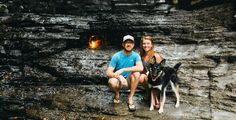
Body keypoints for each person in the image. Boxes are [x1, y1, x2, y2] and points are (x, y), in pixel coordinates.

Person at [106, 35, 143, 112]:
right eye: (126, 43)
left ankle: (130, 98)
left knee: (137, 73)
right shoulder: (116, 56)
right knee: (111, 81)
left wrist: (123, 69)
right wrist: (119, 77)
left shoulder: (136, 56)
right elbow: (108, 72)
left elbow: (140, 68)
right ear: (123, 44)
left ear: (133, 45)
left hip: (129, 81)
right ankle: (117, 93)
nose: (128, 44)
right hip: (118, 82)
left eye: (130, 43)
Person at [139, 35, 163, 104]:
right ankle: (148, 92)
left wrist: (151, 74)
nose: (146, 45)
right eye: (144, 43)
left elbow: (160, 71)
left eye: (148, 43)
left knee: (147, 78)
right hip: (147, 78)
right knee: (141, 77)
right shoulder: (141, 55)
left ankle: (156, 95)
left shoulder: (156, 56)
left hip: (156, 79)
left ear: (152, 45)